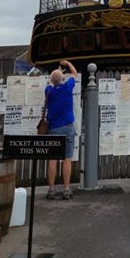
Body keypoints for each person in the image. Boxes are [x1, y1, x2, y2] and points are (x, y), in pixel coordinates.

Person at [45, 59, 77, 200]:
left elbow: (51, 82)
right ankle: (66, 189)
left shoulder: (49, 91)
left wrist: (57, 73)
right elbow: (74, 73)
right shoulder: (67, 87)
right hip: (68, 127)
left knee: (52, 160)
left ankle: (51, 190)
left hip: (53, 128)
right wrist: (68, 64)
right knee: (67, 159)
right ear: (63, 79)